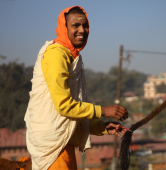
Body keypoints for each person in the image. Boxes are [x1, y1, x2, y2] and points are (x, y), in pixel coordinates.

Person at [24, 6, 128, 170]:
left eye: (85, 25)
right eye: (76, 25)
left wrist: (102, 127)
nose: (82, 30)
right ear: (64, 28)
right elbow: (64, 106)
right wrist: (103, 110)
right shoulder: (56, 54)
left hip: (63, 144)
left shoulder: (71, 55)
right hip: (52, 145)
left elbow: (70, 115)